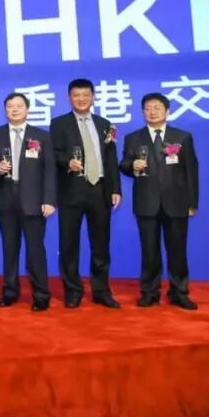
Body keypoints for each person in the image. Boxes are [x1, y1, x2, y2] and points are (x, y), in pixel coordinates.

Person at [119, 92, 200, 310]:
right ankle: (149, 292)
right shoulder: (133, 138)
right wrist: (131, 166)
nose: (152, 112)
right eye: (147, 108)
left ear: (167, 111)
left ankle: (179, 292)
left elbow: (191, 171)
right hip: (146, 202)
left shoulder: (182, 137)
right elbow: (123, 164)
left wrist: (192, 202)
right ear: (142, 112)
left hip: (177, 203)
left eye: (157, 107)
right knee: (149, 251)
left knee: (177, 251)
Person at [49, 79, 122, 309]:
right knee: (69, 244)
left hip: (99, 189)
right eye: (76, 95)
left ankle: (101, 291)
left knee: (101, 244)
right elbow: (53, 155)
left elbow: (111, 158)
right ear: (69, 97)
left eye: (85, 94)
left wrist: (115, 188)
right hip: (71, 189)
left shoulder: (104, 124)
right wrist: (67, 162)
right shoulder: (59, 124)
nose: (81, 99)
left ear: (92, 97)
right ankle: (73, 291)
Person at [0, 92, 57, 311]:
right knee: (9, 248)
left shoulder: (41, 136)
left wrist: (49, 200)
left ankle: (41, 294)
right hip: (5, 198)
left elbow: (50, 170)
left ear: (27, 109)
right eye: (10, 106)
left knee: (35, 249)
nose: (14, 109)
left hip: (34, 200)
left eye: (19, 106)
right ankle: (10, 291)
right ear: (5, 110)